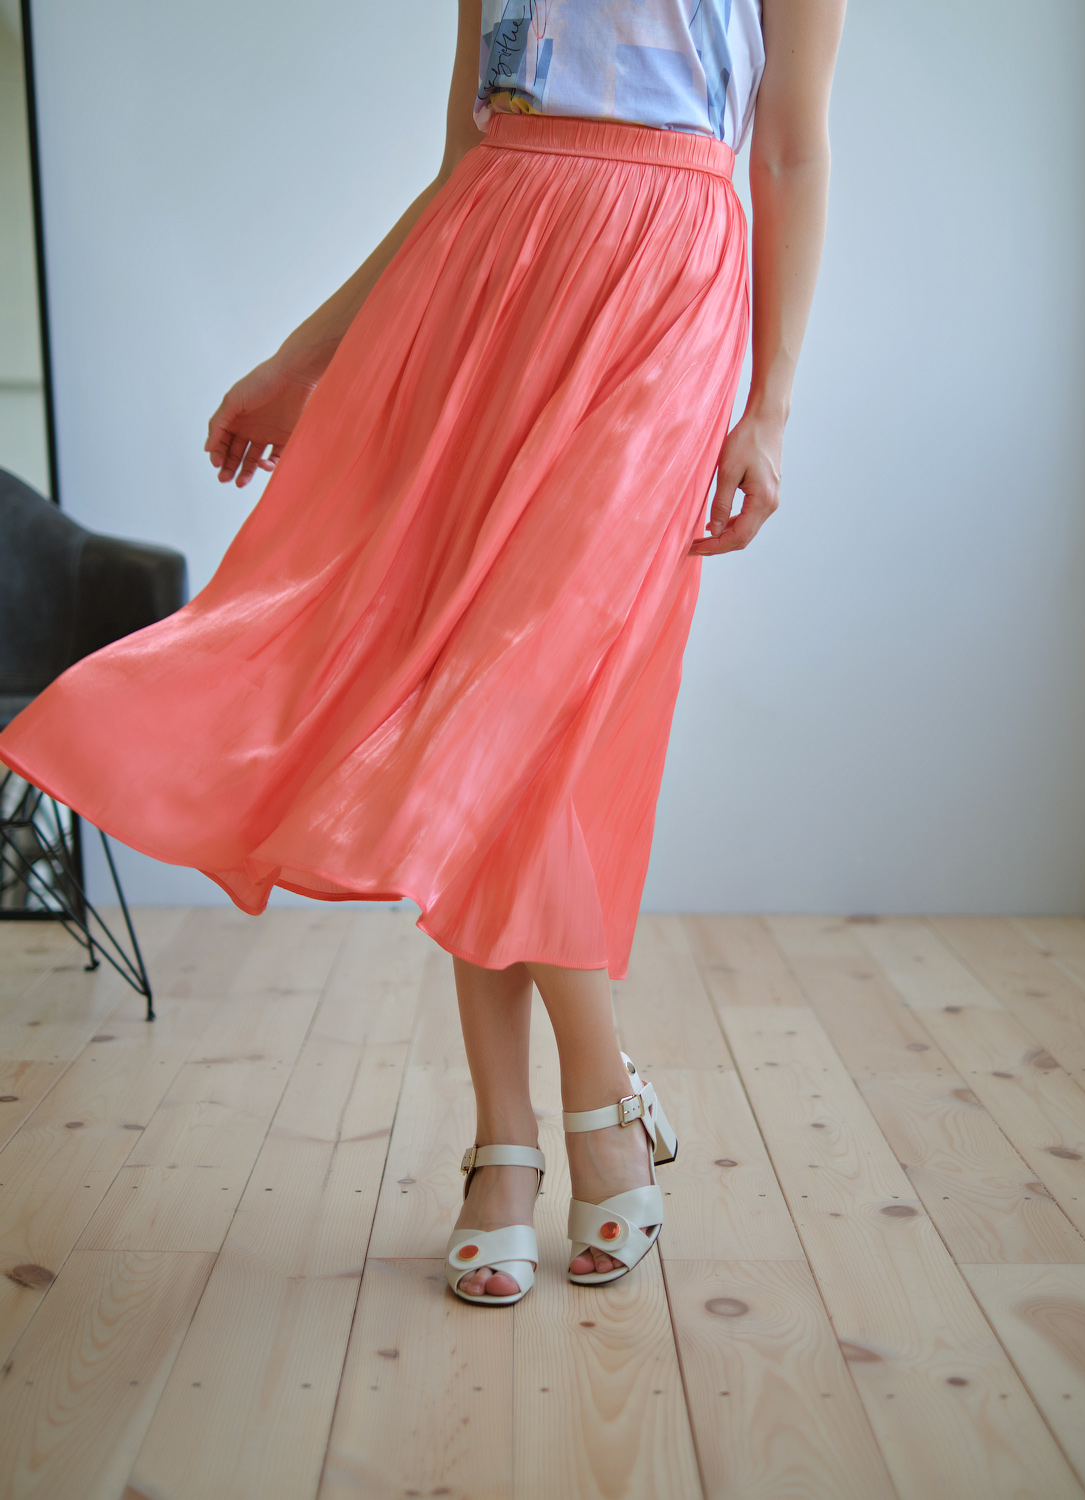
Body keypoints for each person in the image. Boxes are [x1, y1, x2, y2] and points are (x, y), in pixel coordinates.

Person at [0, 0, 844, 1303]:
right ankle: (532, 1128)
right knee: (462, 700)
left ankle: (574, 1116)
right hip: (485, 286)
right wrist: (307, 356)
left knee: (513, 709)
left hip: (664, 290)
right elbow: (465, 159)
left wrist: (771, 406)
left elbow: (787, 148)